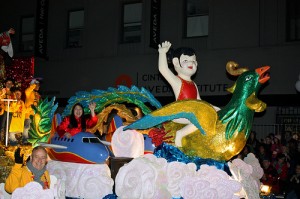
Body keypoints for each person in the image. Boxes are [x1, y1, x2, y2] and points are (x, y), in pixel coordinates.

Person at [158, 41, 219, 147]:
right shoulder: (177, 81)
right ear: (176, 62)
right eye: (186, 60)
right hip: (180, 112)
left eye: (194, 61)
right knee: (202, 118)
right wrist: (162, 53)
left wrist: (214, 108)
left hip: (191, 113)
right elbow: (163, 69)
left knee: (211, 114)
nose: (191, 63)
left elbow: (198, 101)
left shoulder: (193, 84)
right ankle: (180, 134)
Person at [0, 78, 15, 143]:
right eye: (8, 83)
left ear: (12, 85)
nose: (9, 84)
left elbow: (14, 101)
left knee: (7, 127)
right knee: (2, 126)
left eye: (10, 83)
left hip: (10, 110)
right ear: (5, 84)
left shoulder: (12, 93)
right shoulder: (2, 91)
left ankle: (6, 141)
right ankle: (1, 140)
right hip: (4, 110)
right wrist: (2, 94)